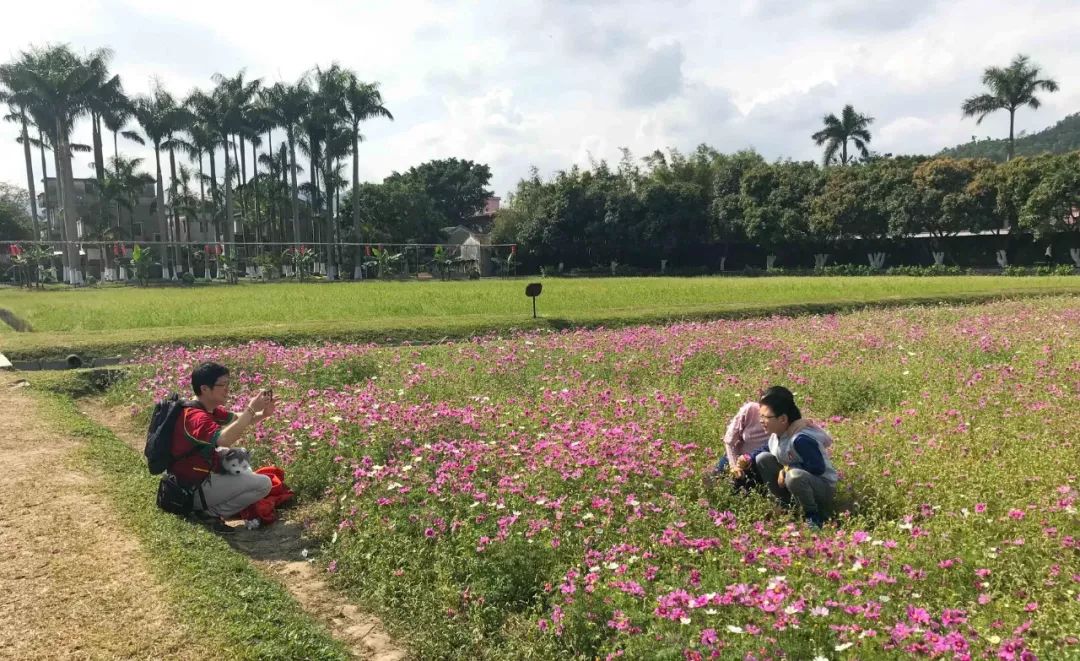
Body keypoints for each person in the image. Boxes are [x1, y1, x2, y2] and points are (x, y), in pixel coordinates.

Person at [170, 361, 273, 519]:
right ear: (205, 388)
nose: (227, 389)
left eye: (228, 383)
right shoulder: (196, 417)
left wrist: (264, 414)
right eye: (222, 384)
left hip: (196, 478)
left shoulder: (204, 408)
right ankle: (209, 513)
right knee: (263, 484)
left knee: (242, 465)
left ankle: (212, 505)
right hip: (191, 490)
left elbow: (239, 419)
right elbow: (224, 440)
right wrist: (251, 409)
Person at [754, 386, 837, 528]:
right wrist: (743, 460)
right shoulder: (776, 436)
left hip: (821, 488)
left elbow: (817, 468)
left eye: (766, 417)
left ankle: (813, 515)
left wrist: (788, 468)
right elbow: (765, 450)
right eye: (760, 416)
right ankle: (786, 506)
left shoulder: (800, 439)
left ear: (783, 419)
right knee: (762, 458)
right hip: (798, 485)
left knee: (794, 475)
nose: (761, 421)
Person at [705, 401, 771, 491]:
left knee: (739, 490)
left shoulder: (781, 424)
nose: (762, 419)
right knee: (710, 482)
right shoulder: (750, 410)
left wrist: (749, 459)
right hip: (736, 457)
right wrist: (733, 465)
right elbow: (729, 440)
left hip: (757, 465)